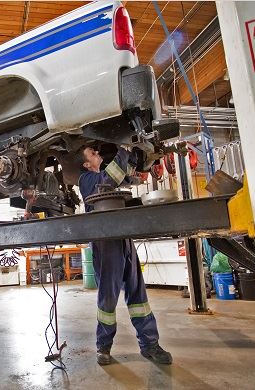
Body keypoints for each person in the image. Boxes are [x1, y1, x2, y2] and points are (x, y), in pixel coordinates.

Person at [79, 146, 172, 366]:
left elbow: (127, 178)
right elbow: (109, 180)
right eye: (93, 153)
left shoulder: (103, 174)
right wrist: (122, 149)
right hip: (105, 241)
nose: (98, 153)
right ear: (86, 164)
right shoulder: (86, 179)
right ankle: (103, 346)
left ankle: (150, 345)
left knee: (137, 293)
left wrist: (133, 156)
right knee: (108, 297)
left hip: (123, 237)